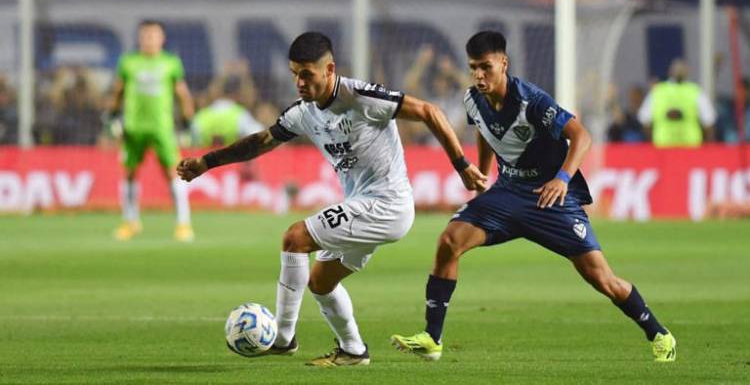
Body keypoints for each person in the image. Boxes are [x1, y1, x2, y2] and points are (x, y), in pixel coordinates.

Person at [176, 32, 486, 367]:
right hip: (363, 205)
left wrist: (462, 164)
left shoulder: (361, 97)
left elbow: (429, 110)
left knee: (294, 238)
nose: (299, 81)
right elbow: (262, 141)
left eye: (306, 73)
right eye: (294, 73)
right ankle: (353, 350)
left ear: (329, 69)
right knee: (321, 282)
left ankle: (283, 338)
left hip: (387, 203)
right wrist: (207, 163)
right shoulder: (304, 112)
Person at [391, 31, 677, 363]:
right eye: (473, 68)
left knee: (601, 278)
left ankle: (659, 334)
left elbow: (581, 136)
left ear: (503, 63)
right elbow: (485, 129)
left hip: (549, 199)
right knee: (449, 241)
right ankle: (432, 338)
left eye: (486, 67)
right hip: (507, 193)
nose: (480, 76)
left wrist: (562, 180)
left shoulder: (532, 101)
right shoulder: (473, 99)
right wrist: (483, 175)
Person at [107, 20, 195, 242]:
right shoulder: (128, 62)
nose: (149, 39)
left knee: (174, 173)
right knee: (129, 173)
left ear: (162, 38)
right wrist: (112, 116)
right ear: (139, 38)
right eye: (145, 35)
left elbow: (182, 94)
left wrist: (187, 122)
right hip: (133, 128)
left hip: (161, 128)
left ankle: (183, 224)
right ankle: (130, 221)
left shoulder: (170, 63)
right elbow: (118, 91)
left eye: (153, 35)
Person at [637, 58, 716, 147]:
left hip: (667, 146)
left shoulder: (658, 91)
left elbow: (644, 119)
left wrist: (652, 141)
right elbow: (708, 122)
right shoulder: (695, 91)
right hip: (688, 146)